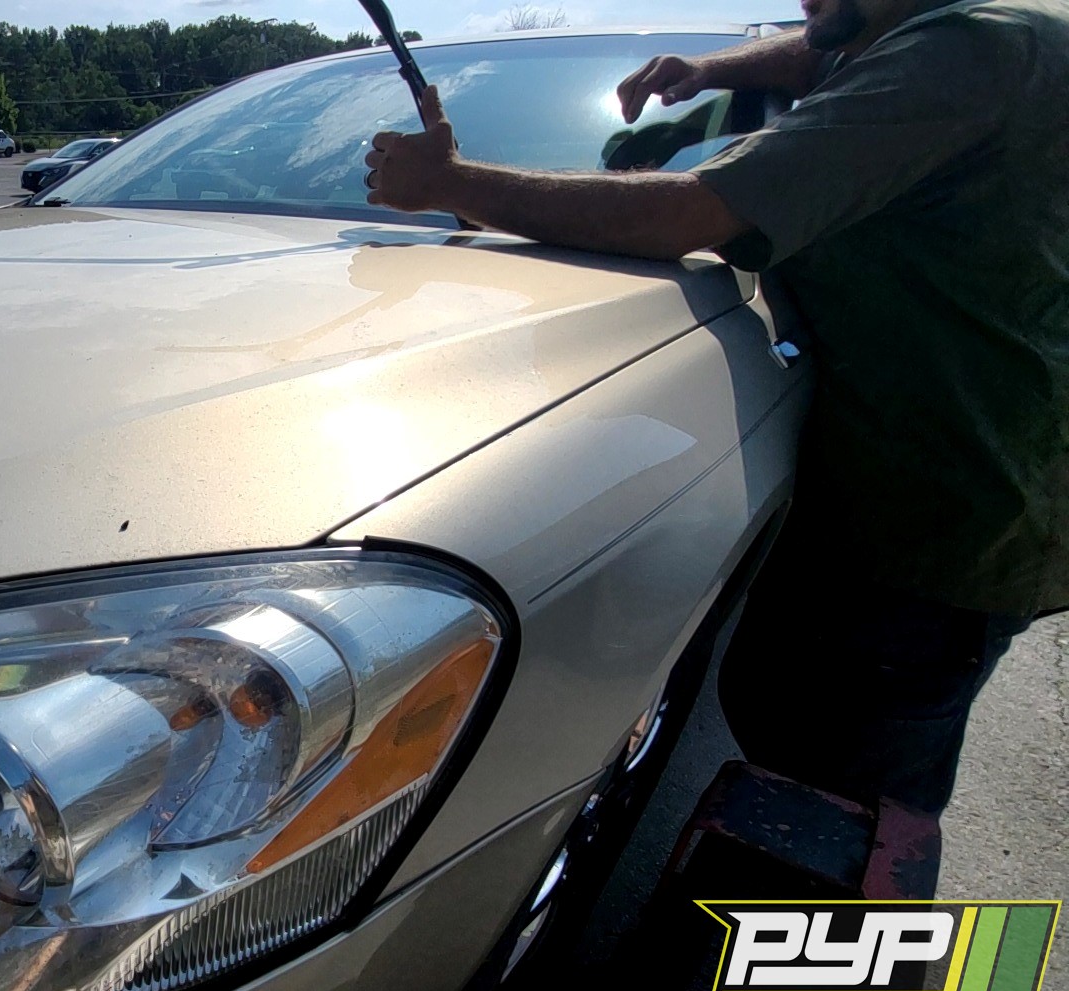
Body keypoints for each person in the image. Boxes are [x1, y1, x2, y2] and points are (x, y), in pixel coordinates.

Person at [364, 0, 1068, 813]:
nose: (804, 0)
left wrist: (448, 184)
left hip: (937, 511)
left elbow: (690, 214)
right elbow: (818, 51)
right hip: (963, 484)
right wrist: (710, 70)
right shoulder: (979, 34)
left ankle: (846, 928)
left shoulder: (973, 49)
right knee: (790, 720)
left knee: (849, 799)